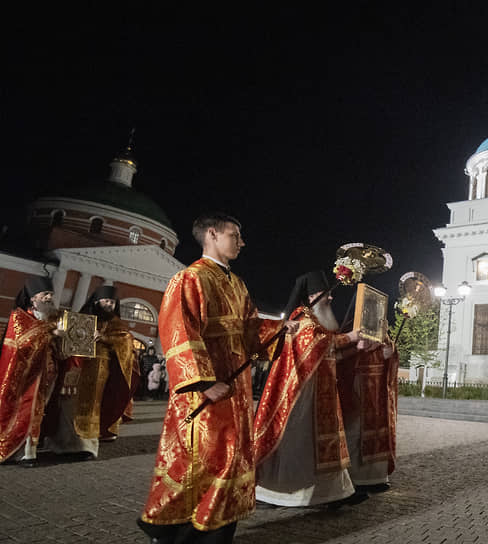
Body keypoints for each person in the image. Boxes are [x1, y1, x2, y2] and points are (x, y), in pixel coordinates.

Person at [138, 213, 289, 543]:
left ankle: (218, 533)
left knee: (232, 459)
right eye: (235, 234)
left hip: (235, 388)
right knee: (202, 461)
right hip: (205, 393)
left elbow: (252, 331)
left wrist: (283, 331)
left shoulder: (237, 284)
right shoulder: (189, 278)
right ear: (211, 234)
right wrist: (204, 383)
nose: (241, 241)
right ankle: (174, 532)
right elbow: (179, 331)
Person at [253, 270, 367, 508]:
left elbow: (330, 350)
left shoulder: (315, 321)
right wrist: (351, 337)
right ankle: (282, 494)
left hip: (319, 393)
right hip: (300, 398)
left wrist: (356, 345)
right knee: (300, 443)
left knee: (325, 443)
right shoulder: (302, 319)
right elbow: (318, 347)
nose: (331, 299)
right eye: (326, 295)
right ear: (314, 295)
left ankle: (336, 493)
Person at [0, 277, 64, 467]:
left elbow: (61, 348)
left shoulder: (55, 319)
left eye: (51, 294)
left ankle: (29, 452)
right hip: (24, 377)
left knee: (38, 411)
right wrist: (51, 333)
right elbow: (23, 344)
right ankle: (16, 452)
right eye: (45, 294)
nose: (49, 298)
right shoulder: (19, 317)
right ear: (32, 298)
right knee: (22, 410)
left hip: (46, 374)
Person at [338, 295, 399, 494]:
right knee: (355, 432)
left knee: (378, 432)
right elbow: (343, 358)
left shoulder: (383, 332)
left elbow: (390, 357)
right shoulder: (354, 328)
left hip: (378, 390)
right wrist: (359, 350)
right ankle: (355, 478)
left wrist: (390, 354)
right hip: (359, 387)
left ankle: (377, 477)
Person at [77, 285, 136, 444]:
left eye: (112, 302)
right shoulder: (83, 317)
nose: (110, 304)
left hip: (102, 368)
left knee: (96, 400)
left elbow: (126, 341)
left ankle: (93, 435)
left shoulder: (116, 323)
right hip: (78, 365)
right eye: (106, 301)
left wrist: (104, 338)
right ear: (97, 301)